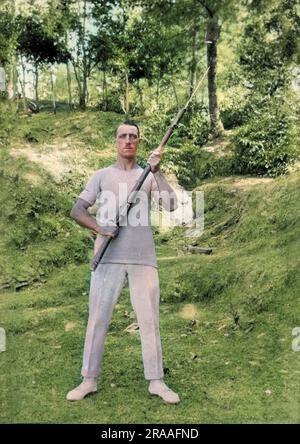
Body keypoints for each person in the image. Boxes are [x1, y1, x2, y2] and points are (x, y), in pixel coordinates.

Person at [66, 120, 180, 404]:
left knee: (149, 319)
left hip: (143, 258)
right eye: (123, 136)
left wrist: (158, 171)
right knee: (97, 319)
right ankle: (89, 379)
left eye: (133, 136)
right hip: (107, 258)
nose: (128, 140)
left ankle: (156, 381)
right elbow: (77, 210)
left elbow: (171, 205)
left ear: (138, 142)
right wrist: (101, 229)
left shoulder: (148, 176)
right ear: (115, 142)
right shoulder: (102, 176)